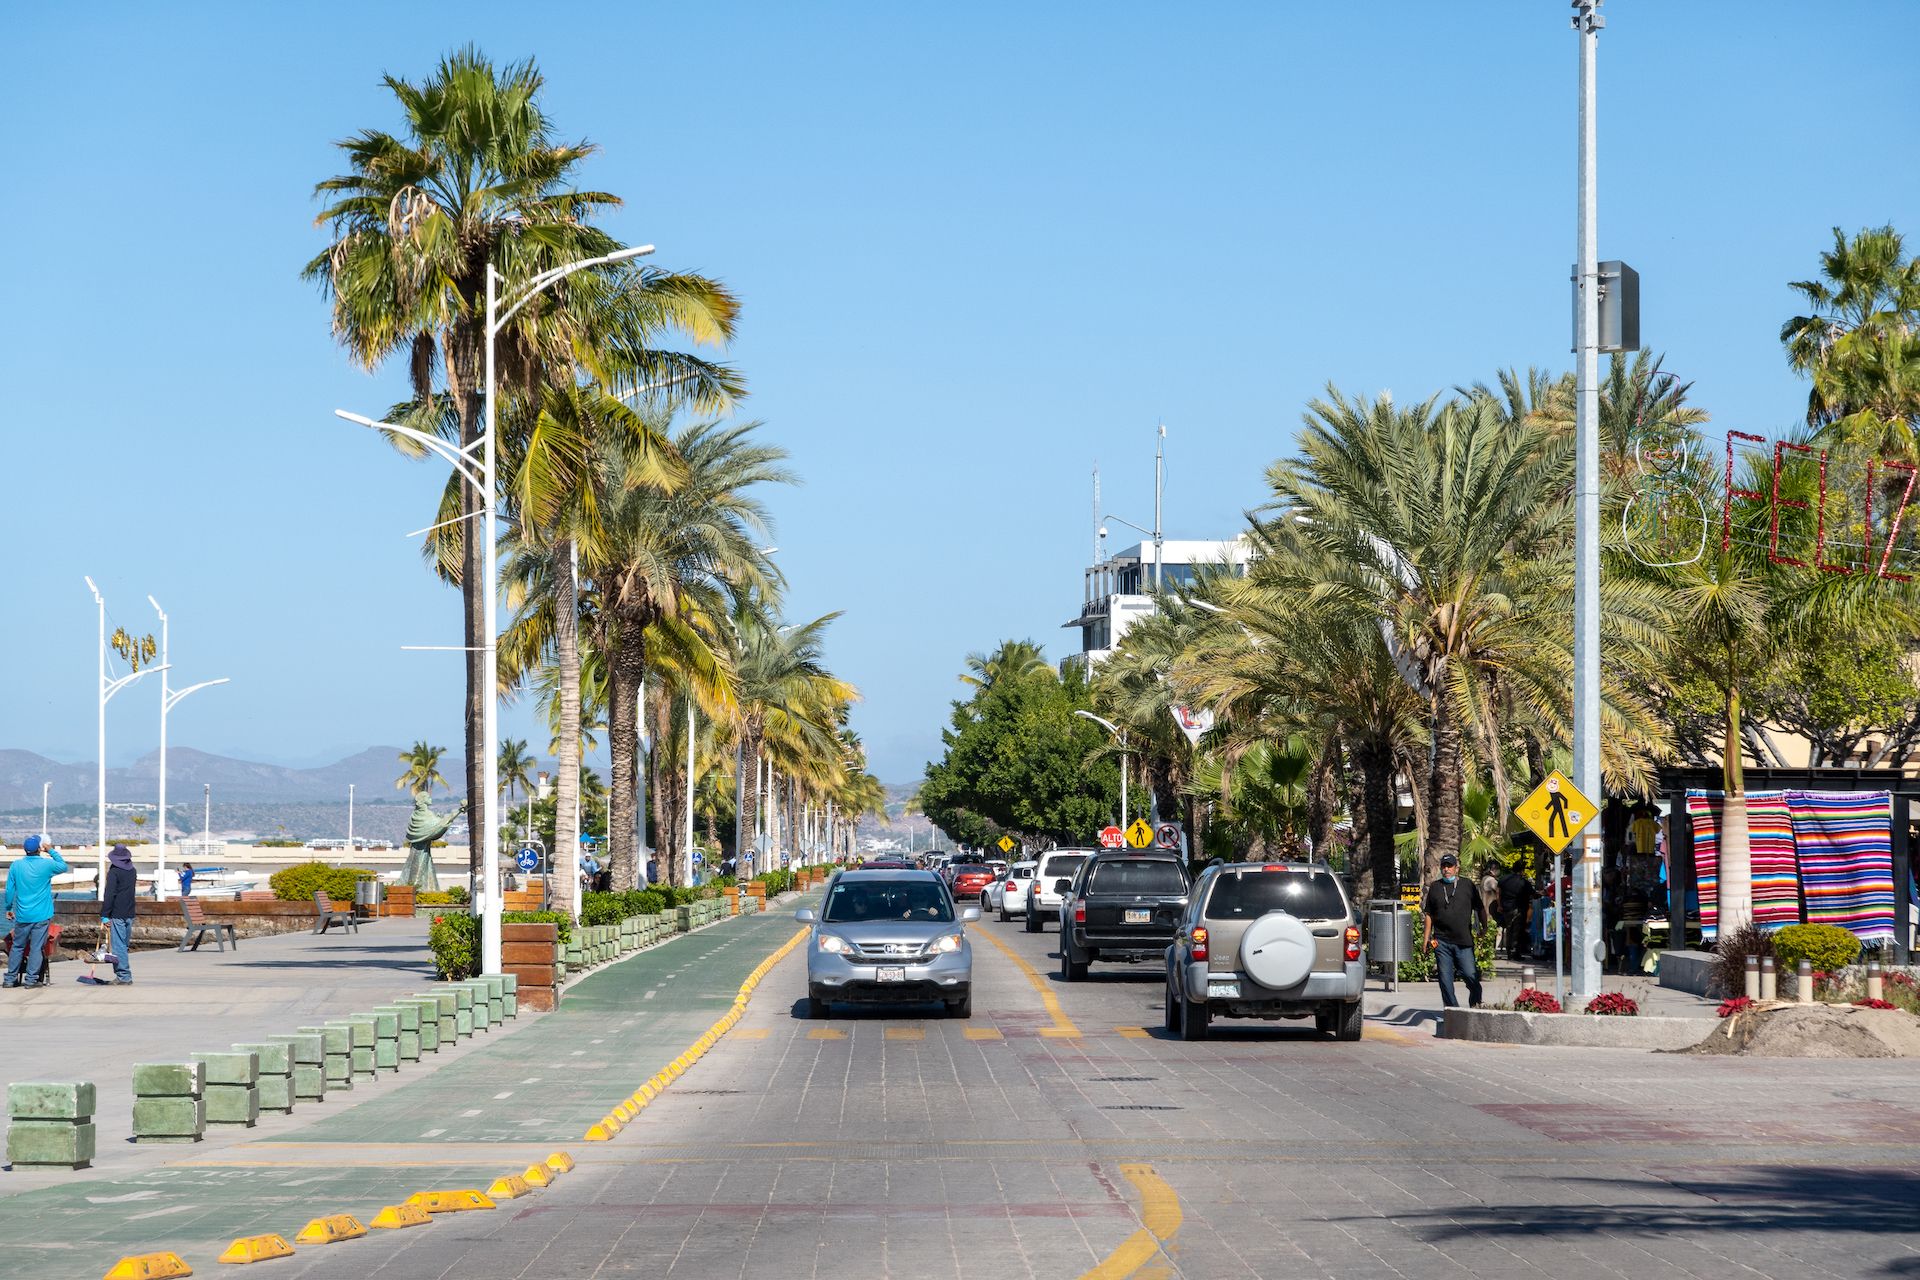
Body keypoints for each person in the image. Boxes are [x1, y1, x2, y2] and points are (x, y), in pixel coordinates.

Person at [1421, 853, 1487, 1010]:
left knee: (1470, 975)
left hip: (1463, 941)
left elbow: (1479, 908)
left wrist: (1485, 927)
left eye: (1449, 866)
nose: (1446, 869)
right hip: (1441, 941)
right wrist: (1426, 938)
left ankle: (1475, 1002)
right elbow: (1429, 914)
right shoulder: (1435, 887)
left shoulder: (1467, 885)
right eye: (1444, 866)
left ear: (1457, 868)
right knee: (1445, 980)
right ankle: (1453, 1012)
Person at [5, 835, 70, 988]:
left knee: (17, 946)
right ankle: (31, 980)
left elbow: (9, 891)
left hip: (22, 914)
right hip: (42, 915)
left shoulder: (16, 865)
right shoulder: (47, 865)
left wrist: (8, 908)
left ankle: (10, 979)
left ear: (25, 850)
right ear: (39, 849)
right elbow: (63, 866)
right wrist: (51, 850)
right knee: (36, 947)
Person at [101, 844, 137, 985]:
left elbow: (109, 894)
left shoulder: (114, 872)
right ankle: (124, 974)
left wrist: (105, 914)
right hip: (130, 912)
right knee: (124, 944)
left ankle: (124, 976)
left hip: (117, 912)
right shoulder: (132, 870)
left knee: (118, 946)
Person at [1498, 861, 1537, 961]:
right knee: (1517, 931)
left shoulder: (1503, 879)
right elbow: (1533, 894)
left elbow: (1499, 893)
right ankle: (1515, 952)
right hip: (1519, 909)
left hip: (1506, 908)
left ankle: (1509, 952)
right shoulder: (1524, 882)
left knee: (1509, 930)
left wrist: (1500, 905)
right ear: (1522, 870)